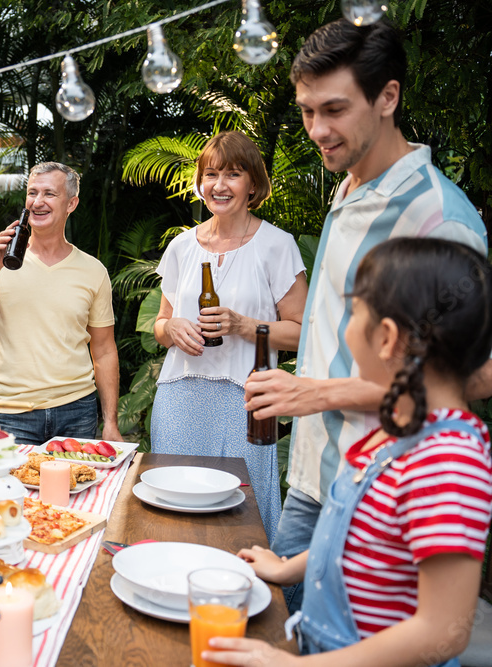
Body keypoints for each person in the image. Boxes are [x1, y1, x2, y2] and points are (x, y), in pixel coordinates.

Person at [243, 19, 489, 612]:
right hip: (315, 473)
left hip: (386, 496)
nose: (317, 131)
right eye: (306, 111)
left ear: (388, 97)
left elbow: (475, 376)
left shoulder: (438, 218)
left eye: (334, 109)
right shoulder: (349, 185)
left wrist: (318, 393)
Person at [206, 238, 492, 667]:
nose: (343, 331)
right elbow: (359, 536)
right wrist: (287, 569)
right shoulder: (397, 431)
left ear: (387, 337)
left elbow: (443, 631)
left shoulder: (448, 460)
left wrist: (291, 664)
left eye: (353, 314)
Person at [150, 131, 307, 542]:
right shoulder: (182, 247)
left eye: (232, 174)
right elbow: (159, 325)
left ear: (252, 184)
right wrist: (172, 328)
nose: (219, 185)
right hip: (180, 396)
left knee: (243, 511)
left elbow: (301, 332)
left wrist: (243, 326)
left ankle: (249, 597)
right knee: (175, 503)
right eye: (211, 174)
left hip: (248, 399)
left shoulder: (277, 245)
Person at [0, 162, 120, 444]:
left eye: (49, 194)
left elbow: (103, 350)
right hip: (12, 414)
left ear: (71, 203)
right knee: (8, 490)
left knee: (74, 489)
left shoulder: (93, 271)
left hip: (77, 412)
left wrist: (110, 421)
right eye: (32, 193)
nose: (38, 202)